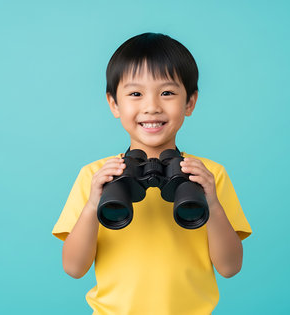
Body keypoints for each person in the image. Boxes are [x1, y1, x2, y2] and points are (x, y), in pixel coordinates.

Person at [52, 32, 253, 314]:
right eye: (135, 93)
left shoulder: (209, 175)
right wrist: (92, 204)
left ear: (190, 102)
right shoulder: (96, 176)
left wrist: (213, 204)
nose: (152, 107)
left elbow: (230, 267)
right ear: (113, 104)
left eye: (167, 92)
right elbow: (74, 268)